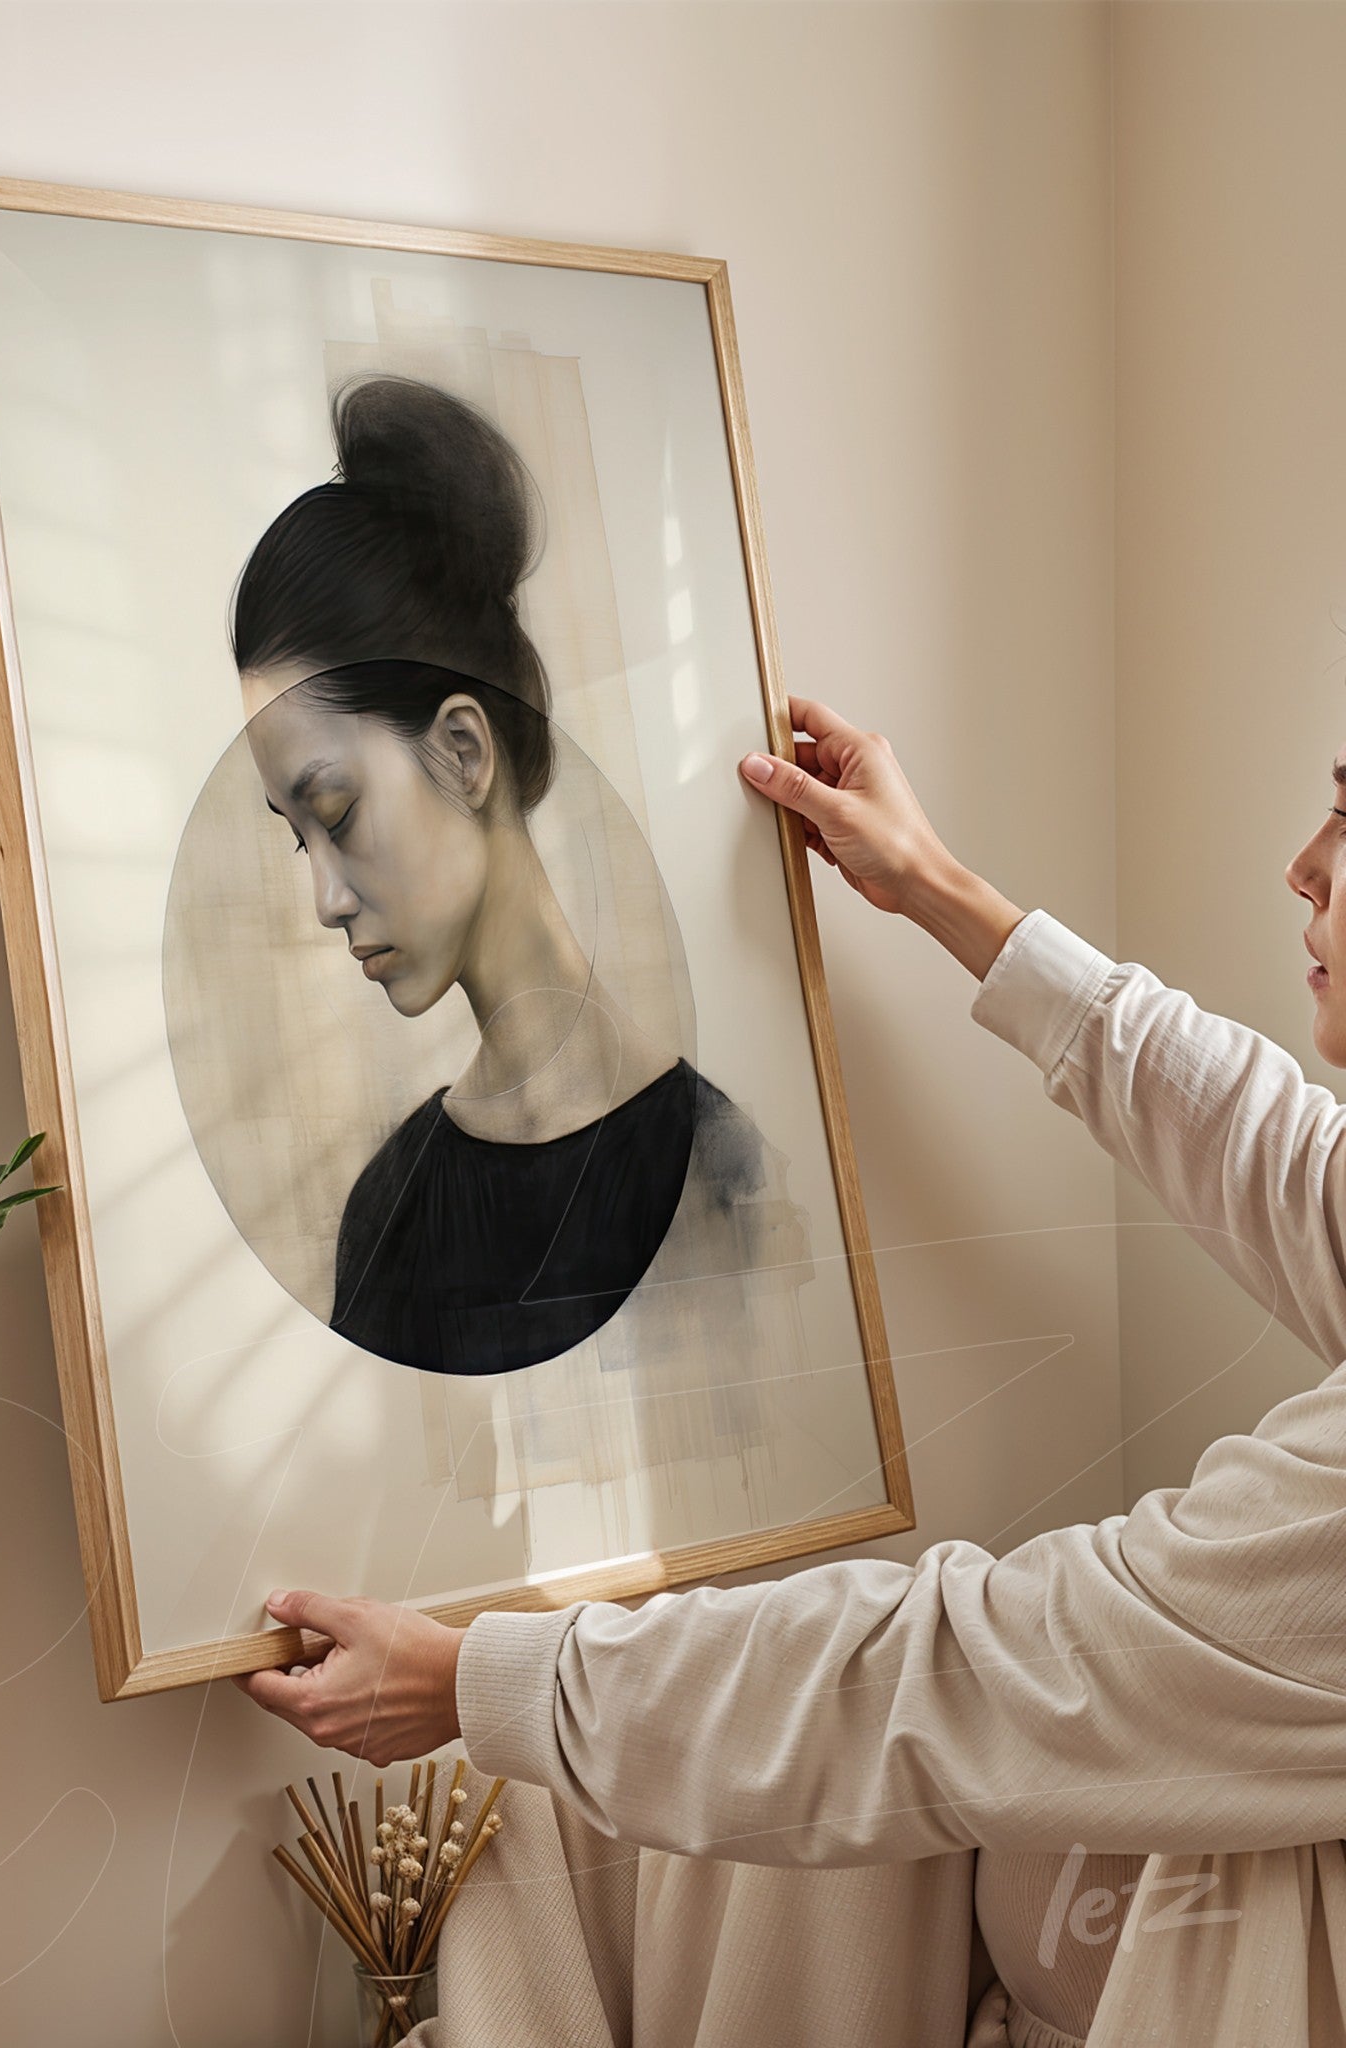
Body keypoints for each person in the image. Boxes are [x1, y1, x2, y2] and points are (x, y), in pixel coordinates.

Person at [233, 695, 1346, 2048]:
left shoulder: (702, 1165)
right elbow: (1280, 1152)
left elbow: (962, 1682)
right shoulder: (392, 1205)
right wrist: (937, 888)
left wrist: (476, 1685)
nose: (1305, 861)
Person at [231, 374, 761, 1375]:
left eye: (337, 813)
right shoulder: (390, 1210)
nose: (326, 899)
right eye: (300, 836)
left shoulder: (718, 1170)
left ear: (463, 754)